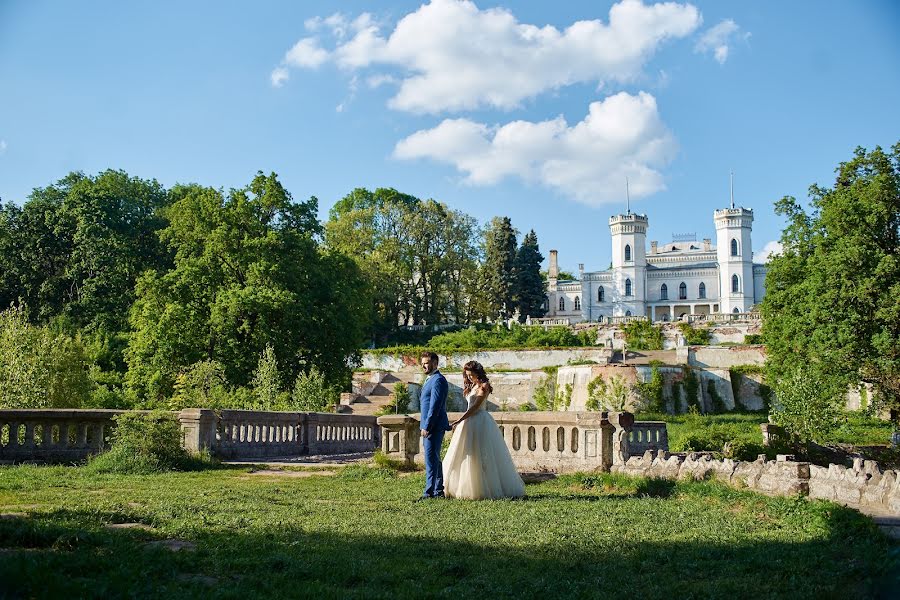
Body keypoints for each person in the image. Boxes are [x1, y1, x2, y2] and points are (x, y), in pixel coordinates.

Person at [442, 361, 525, 500]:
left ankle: (482, 488)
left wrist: (459, 420)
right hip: (469, 422)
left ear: (478, 373)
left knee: (482, 454)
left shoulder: (484, 386)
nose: (469, 378)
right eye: (467, 375)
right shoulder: (473, 385)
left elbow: (475, 407)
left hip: (480, 421)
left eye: (471, 375)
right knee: (465, 453)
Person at [417, 351, 450, 500]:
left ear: (435, 363)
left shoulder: (438, 380)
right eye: (423, 363)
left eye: (427, 363)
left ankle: (429, 493)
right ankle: (437, 491)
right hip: (430, 425)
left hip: (434, 426)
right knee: (434, 459)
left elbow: (435, 407)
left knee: (431, 459)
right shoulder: (430, 379)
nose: (424, 366)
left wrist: (427, 426)